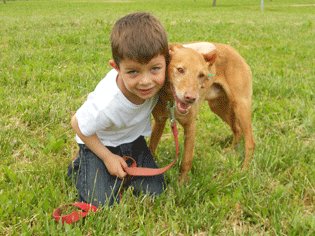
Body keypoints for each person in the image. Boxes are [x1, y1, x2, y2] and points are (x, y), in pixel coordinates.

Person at [68, 12, 169, 208]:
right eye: (133, 72)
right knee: (101, 203)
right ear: (116, 67)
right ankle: (80, 167)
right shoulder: (108, 102)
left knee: (156, 191)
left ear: (167, 60)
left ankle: (121, 168)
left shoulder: (162, 82)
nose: (146, 81)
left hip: (134, 141)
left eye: (155, 69)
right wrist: (107, 157)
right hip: (99, 144)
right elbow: (77, 123)